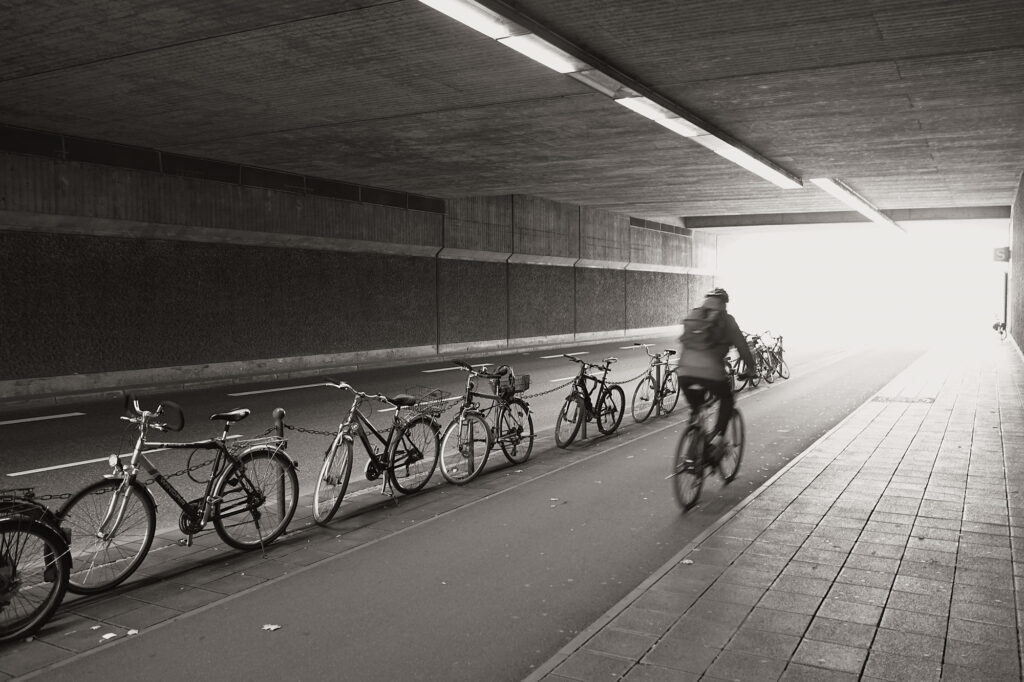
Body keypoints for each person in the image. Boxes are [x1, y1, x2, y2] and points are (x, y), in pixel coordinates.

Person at [676, 288, 757, 462]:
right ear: (724, 304)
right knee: (727, 399)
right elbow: (742, 346)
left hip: (684, 372)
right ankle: (716, 438)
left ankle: (694, 436)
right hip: (712, 372)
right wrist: (751, 368)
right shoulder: (726, 321)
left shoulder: (695, 316)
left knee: (697, 408)